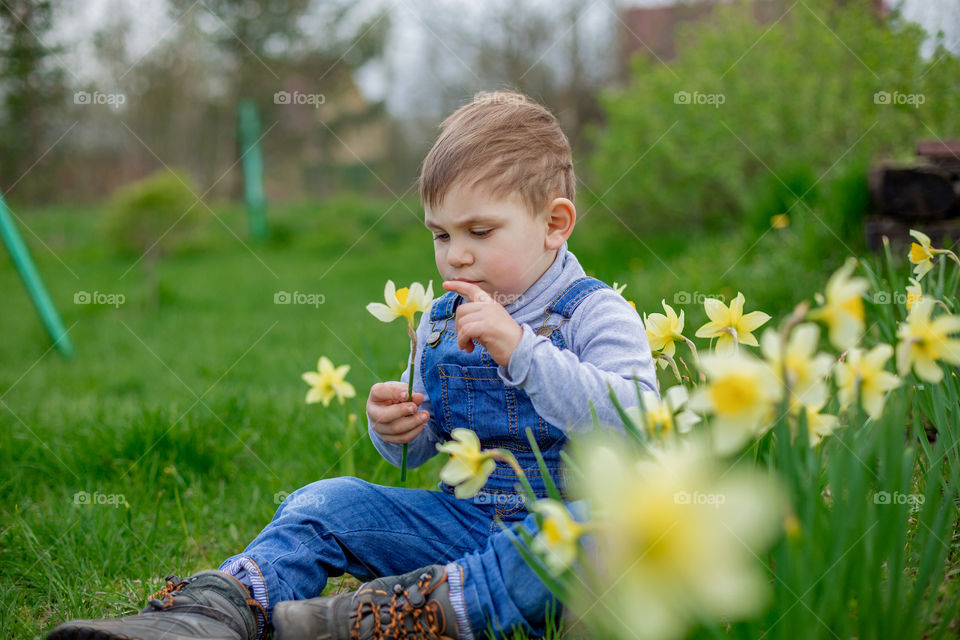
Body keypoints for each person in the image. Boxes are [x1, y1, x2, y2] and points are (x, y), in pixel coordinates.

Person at [47, 90, 657, 640]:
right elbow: (420, 452)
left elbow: (635, 418)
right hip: (461, 526)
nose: (457, 257)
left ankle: (401, 616)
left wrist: (521, 349)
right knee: (327, 501)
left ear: (555, 224)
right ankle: (216, 611)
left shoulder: (595, 313)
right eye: (441, 235)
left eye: (480, 231)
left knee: (602, 532)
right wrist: (396, 430)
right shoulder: (441, 319)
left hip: (560, 527)